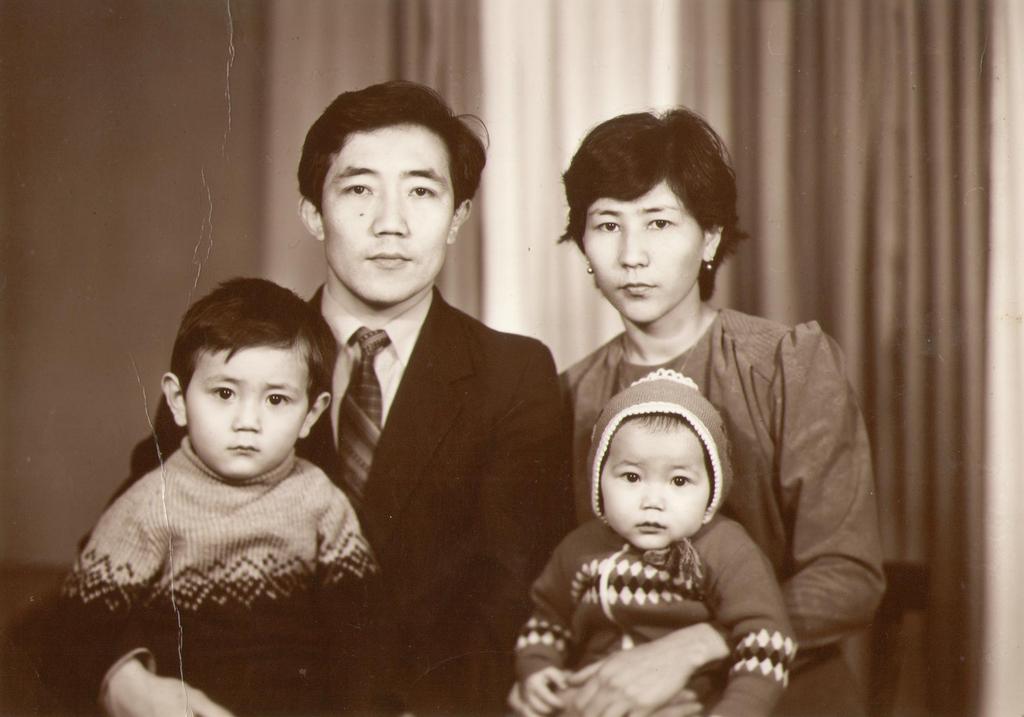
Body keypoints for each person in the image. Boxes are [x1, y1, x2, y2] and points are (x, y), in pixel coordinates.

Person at [103, 81, 573, 715]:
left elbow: (509, 592)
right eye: (358, 190)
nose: (390, 224)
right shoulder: (228, 360)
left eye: (422, 192)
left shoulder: (512, 374)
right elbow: (116, 547)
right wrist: (125, 679)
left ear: (458, 217)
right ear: (312, 213)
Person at [546, 107, 886, 716]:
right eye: (607, 224)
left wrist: (690, 650)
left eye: (659, 222)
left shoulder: (788, 364)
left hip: (787, 692)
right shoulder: (569, 396)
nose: (631, 254)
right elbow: (565, 585)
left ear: (709, 237)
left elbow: (848, 576)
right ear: (583, 244)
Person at [52, 278, 378, 715]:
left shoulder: (319, 498)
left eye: (276, 399)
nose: (248, 421)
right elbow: (80, 625)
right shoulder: (149, 504)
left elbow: (361, 624)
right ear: (178, 400)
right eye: (224, 393)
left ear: (311, 414)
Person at [514, 370, 796, 717]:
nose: (652, 501)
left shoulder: (725, 549)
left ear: (713, 489)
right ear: (599, 478)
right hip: (592, 701)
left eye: (679, 481)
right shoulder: (579, 549)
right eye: (631, 477)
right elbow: (548, 620)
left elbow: (767, 640)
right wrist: (537, 667)